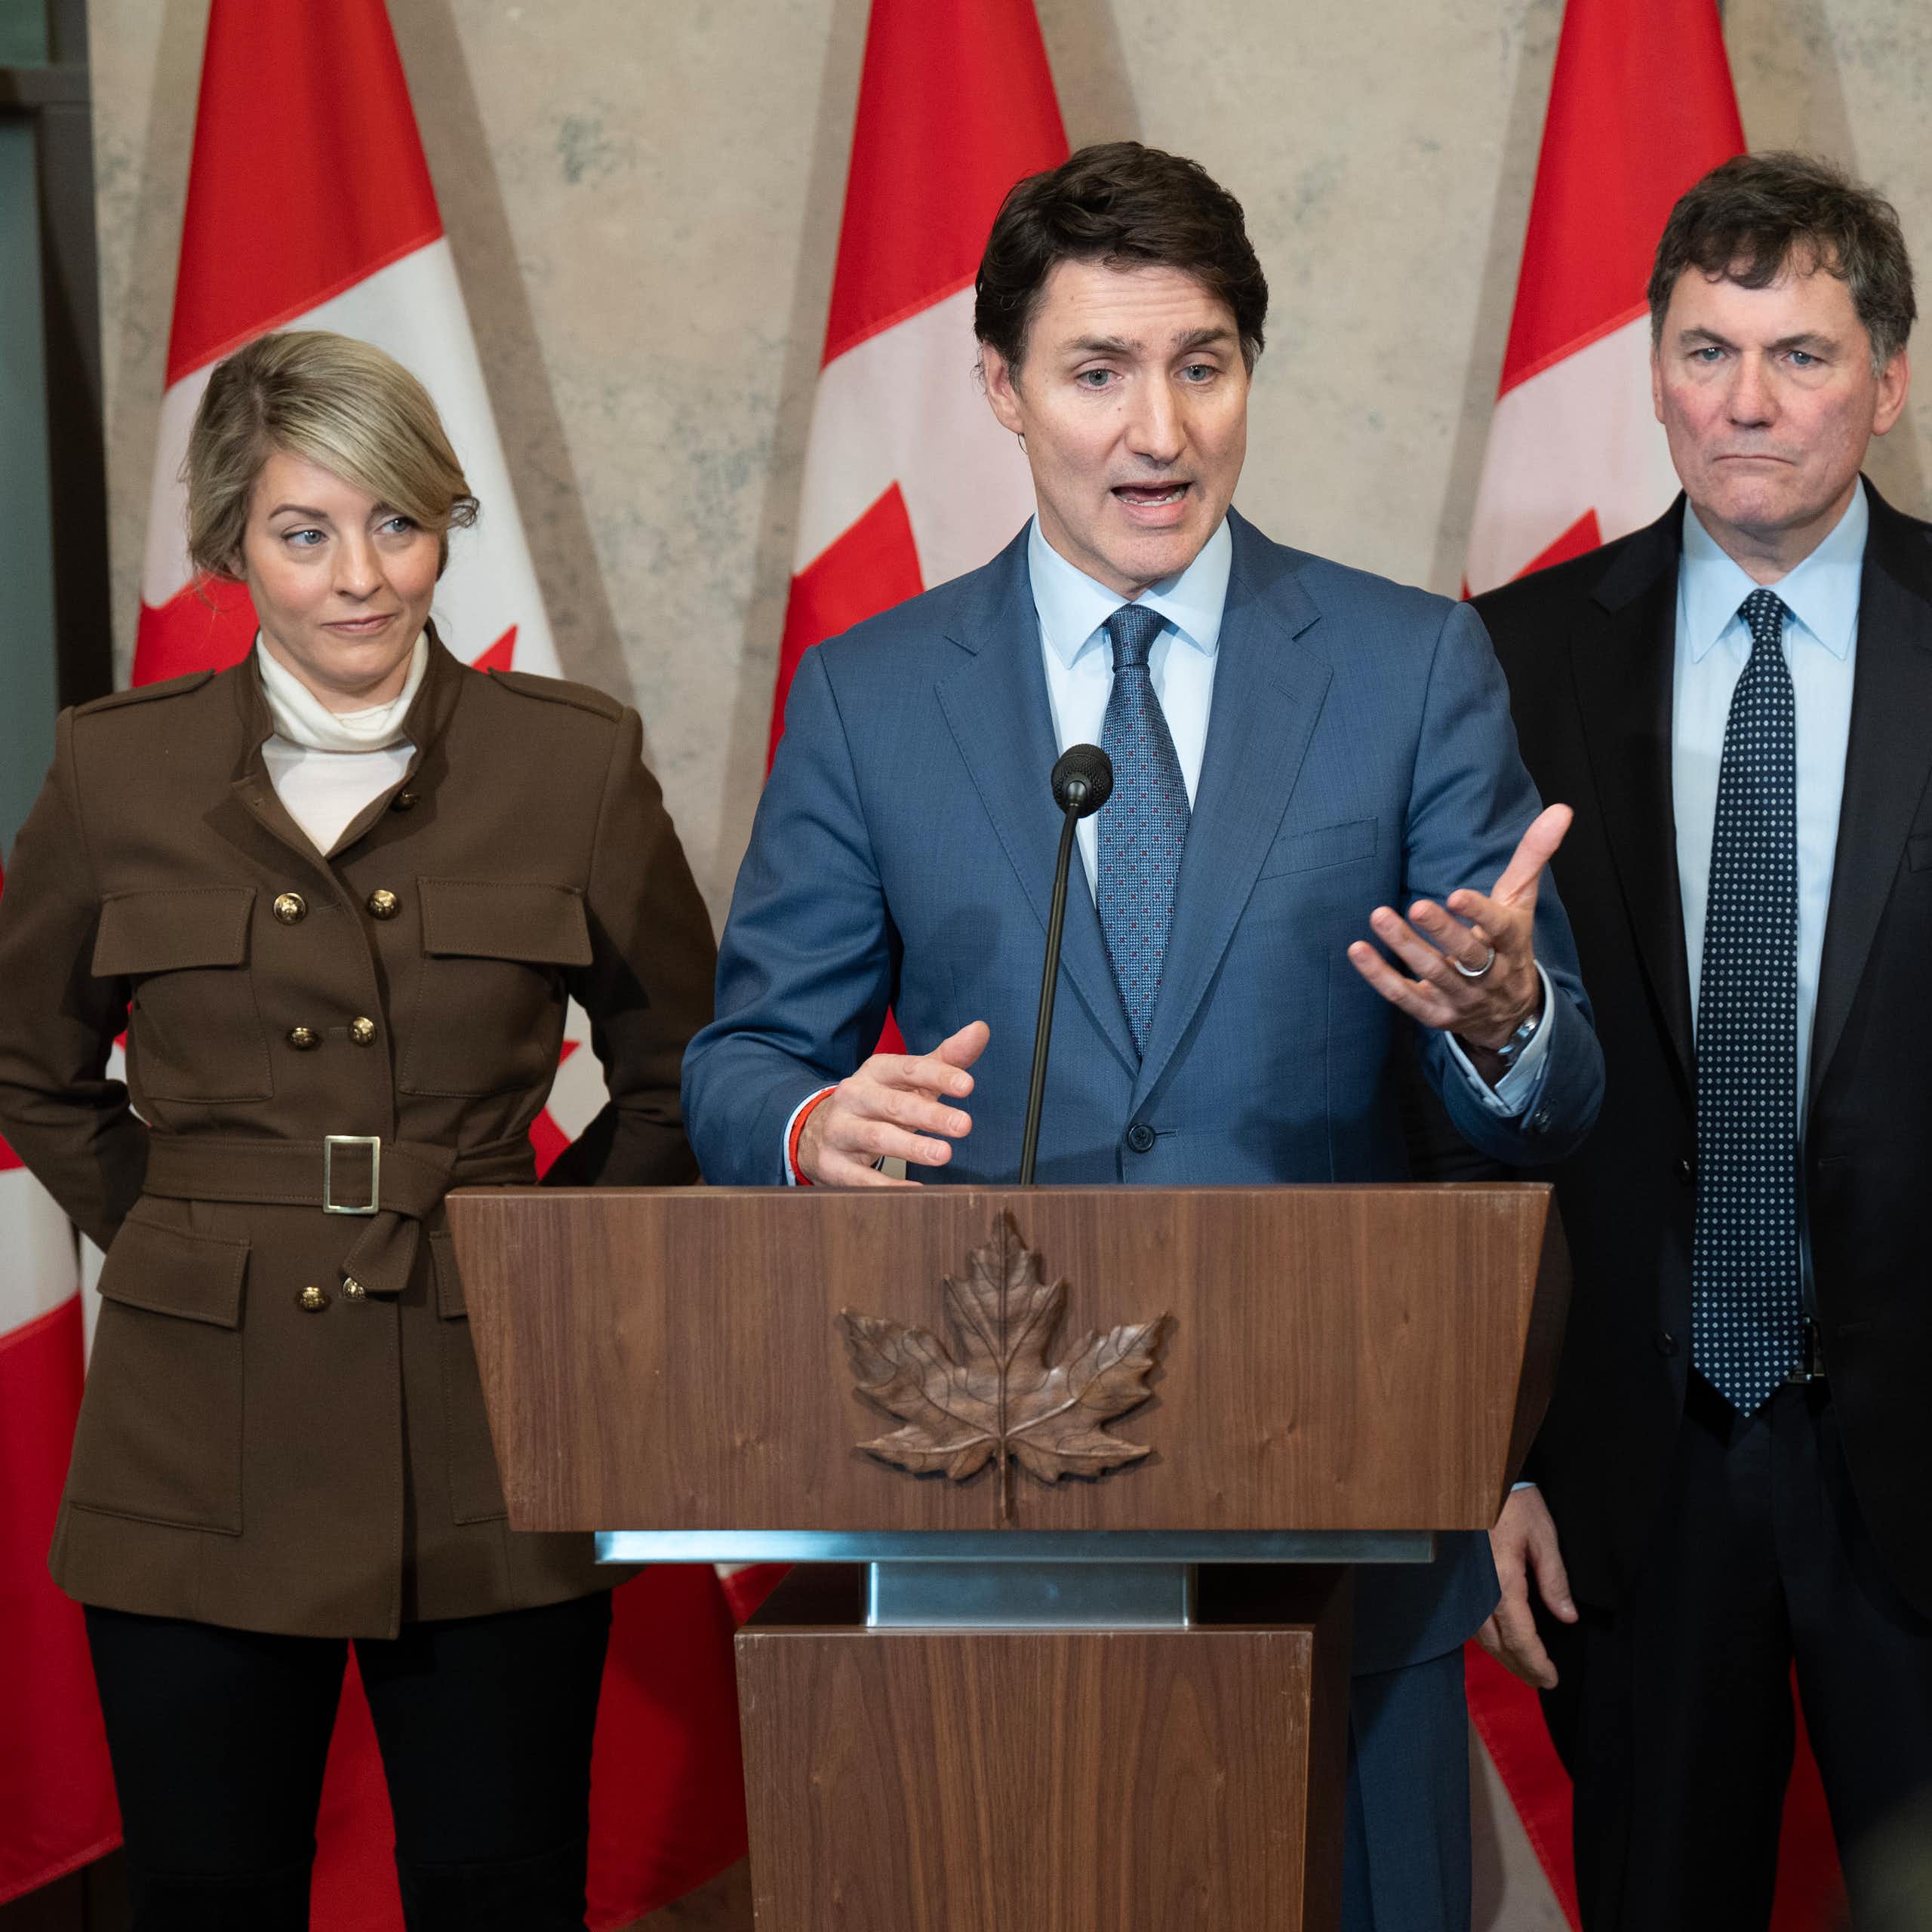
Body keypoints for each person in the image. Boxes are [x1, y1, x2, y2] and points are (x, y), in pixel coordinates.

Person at [683, 142, 1604, 1930]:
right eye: (1096, 372)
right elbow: (737, 1060)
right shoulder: (871, 697)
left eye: (1201, 364)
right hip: (984, 1506)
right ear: (999, 388)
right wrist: (809, 1128)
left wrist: (1502, 1013)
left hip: (1336, 1505)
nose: (1155, 430)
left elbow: (1545, 1097)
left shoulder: (1409, 667)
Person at [0, 330, 716, 1931]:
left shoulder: (569, 759)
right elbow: (28, 1065)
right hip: (195, 1424)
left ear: (442, 524)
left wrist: (535, 1250)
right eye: (302, 531)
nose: (358, 577)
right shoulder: (116, 771)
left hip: (488, 1407)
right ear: (229, 546)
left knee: (502, 1884)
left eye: (395, 522)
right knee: (208, 1890)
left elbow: (685, 1065)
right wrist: (192, 1234)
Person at [1473, 152, 1932, 1927]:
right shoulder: (1505, 664)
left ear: (1883, 380)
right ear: (1650, 370)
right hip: (1625, 1469)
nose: (1744, 402)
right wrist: (1489, 1449)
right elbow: (1448, 1099)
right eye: (1702, 349)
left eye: (1799, 355)